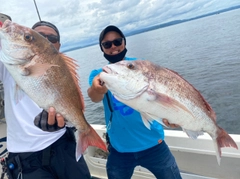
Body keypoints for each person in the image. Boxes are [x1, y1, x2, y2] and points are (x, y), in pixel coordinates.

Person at [0, 15, 91, 179]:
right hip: (26, 157)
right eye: (35, 36)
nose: (47, 39)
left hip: (64, 145)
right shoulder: (6, 64)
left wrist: (67, 124)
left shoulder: (62, 71)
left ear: (58, 45)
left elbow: (70, 112)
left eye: (53, 38)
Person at [87, 25, 182, 179]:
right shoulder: (100, 74)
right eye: (107, 44)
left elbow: (161, 94)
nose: (113, 47)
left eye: (117, 41)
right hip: (119, 149)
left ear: (124, 42)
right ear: (102, 48)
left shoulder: (140, 65)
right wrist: (97, 88)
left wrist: (171, 116)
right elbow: (94, 97)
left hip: (154, 144)